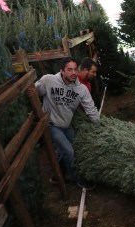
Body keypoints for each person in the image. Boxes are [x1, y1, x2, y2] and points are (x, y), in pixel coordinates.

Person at [27, 57, 100, 190]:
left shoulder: (81, 89)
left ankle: (57, 175)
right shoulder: (48, 80)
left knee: (73, 148)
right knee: (69, 151)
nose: (73, 73)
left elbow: (91, 108)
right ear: (62, 71)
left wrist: (99, 126)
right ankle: (78, 179)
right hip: (51, 125)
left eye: (75, 69)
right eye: (69, 69)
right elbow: (35, 91)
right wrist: (32, 91)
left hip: (67, 125)